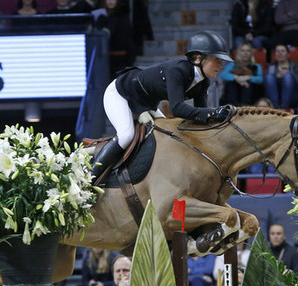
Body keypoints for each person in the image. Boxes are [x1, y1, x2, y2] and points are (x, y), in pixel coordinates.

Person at [91, 30, 233, 180]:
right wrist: (212, 113)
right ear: (199, 58)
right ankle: (91, 177)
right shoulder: (178, 70)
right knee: (126, 136)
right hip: (120, 93)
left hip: (146, 103)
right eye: (217, 60)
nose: (221, 65)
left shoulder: (203, 82)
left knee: (169, 136)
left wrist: (216, 117)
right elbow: (177, 109)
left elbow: (200, 113)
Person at [220, 41, 264, 106]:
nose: (245, 53)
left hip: (251, 94)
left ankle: (246, 106)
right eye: (243, 51)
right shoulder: (232, 64)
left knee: (249, 85)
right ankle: (231, 106)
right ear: (239, 52)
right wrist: (237, 78)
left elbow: (260, 79)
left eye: (248, 51)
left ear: (251, 53)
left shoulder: (257, 66)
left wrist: (247, 78)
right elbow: (223, 75)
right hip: (234, 92)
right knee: (230, 83)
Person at [264, 44, 298, 109]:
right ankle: (275, 107)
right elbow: (265, 83)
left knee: (288, 76)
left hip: (292, 96)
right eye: (278, 51)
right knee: (269, 77)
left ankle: (285, 106)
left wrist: (289, 74)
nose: (280, 53)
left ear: (288, 54)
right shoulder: (270, 66)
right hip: (274, 96)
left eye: (282, 51)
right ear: (274, 55)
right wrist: (277, 77)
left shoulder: (295, 66)